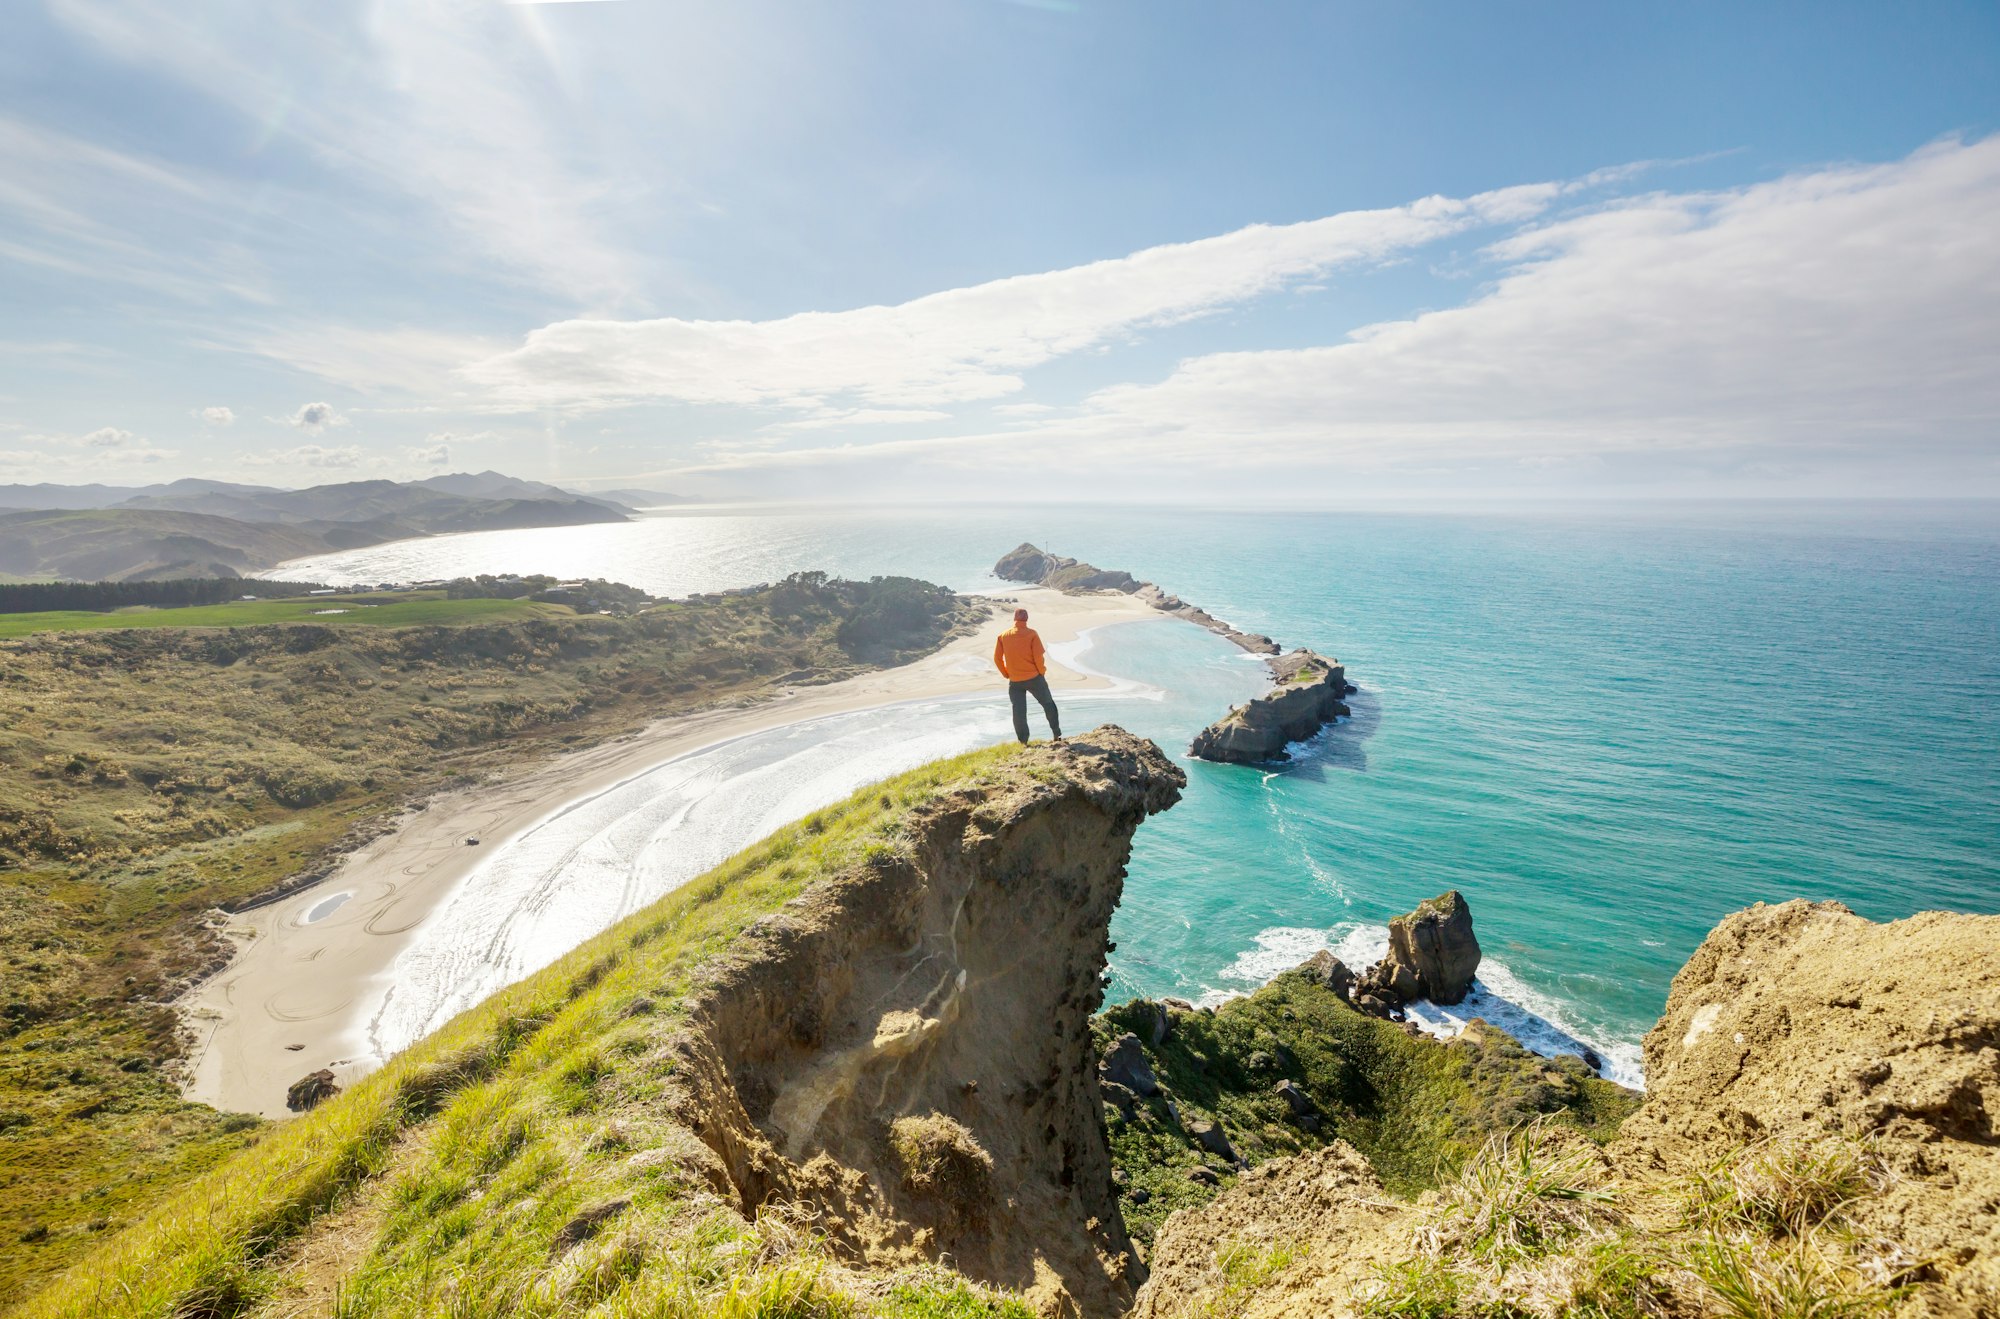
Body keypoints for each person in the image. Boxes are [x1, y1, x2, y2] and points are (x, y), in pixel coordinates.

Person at [992, 606, 1062, 743]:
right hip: (1034, 678)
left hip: (1015, 681)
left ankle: (1023, 742)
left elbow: (997, 658)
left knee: (1018, 712)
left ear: (1014, 619)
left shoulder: (1003, 636)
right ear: (1027, 619)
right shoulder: (1032, 634)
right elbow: (1038, 657)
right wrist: (1041, 672)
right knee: (1048, 704)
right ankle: (1056, 734)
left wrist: (1006, 673)